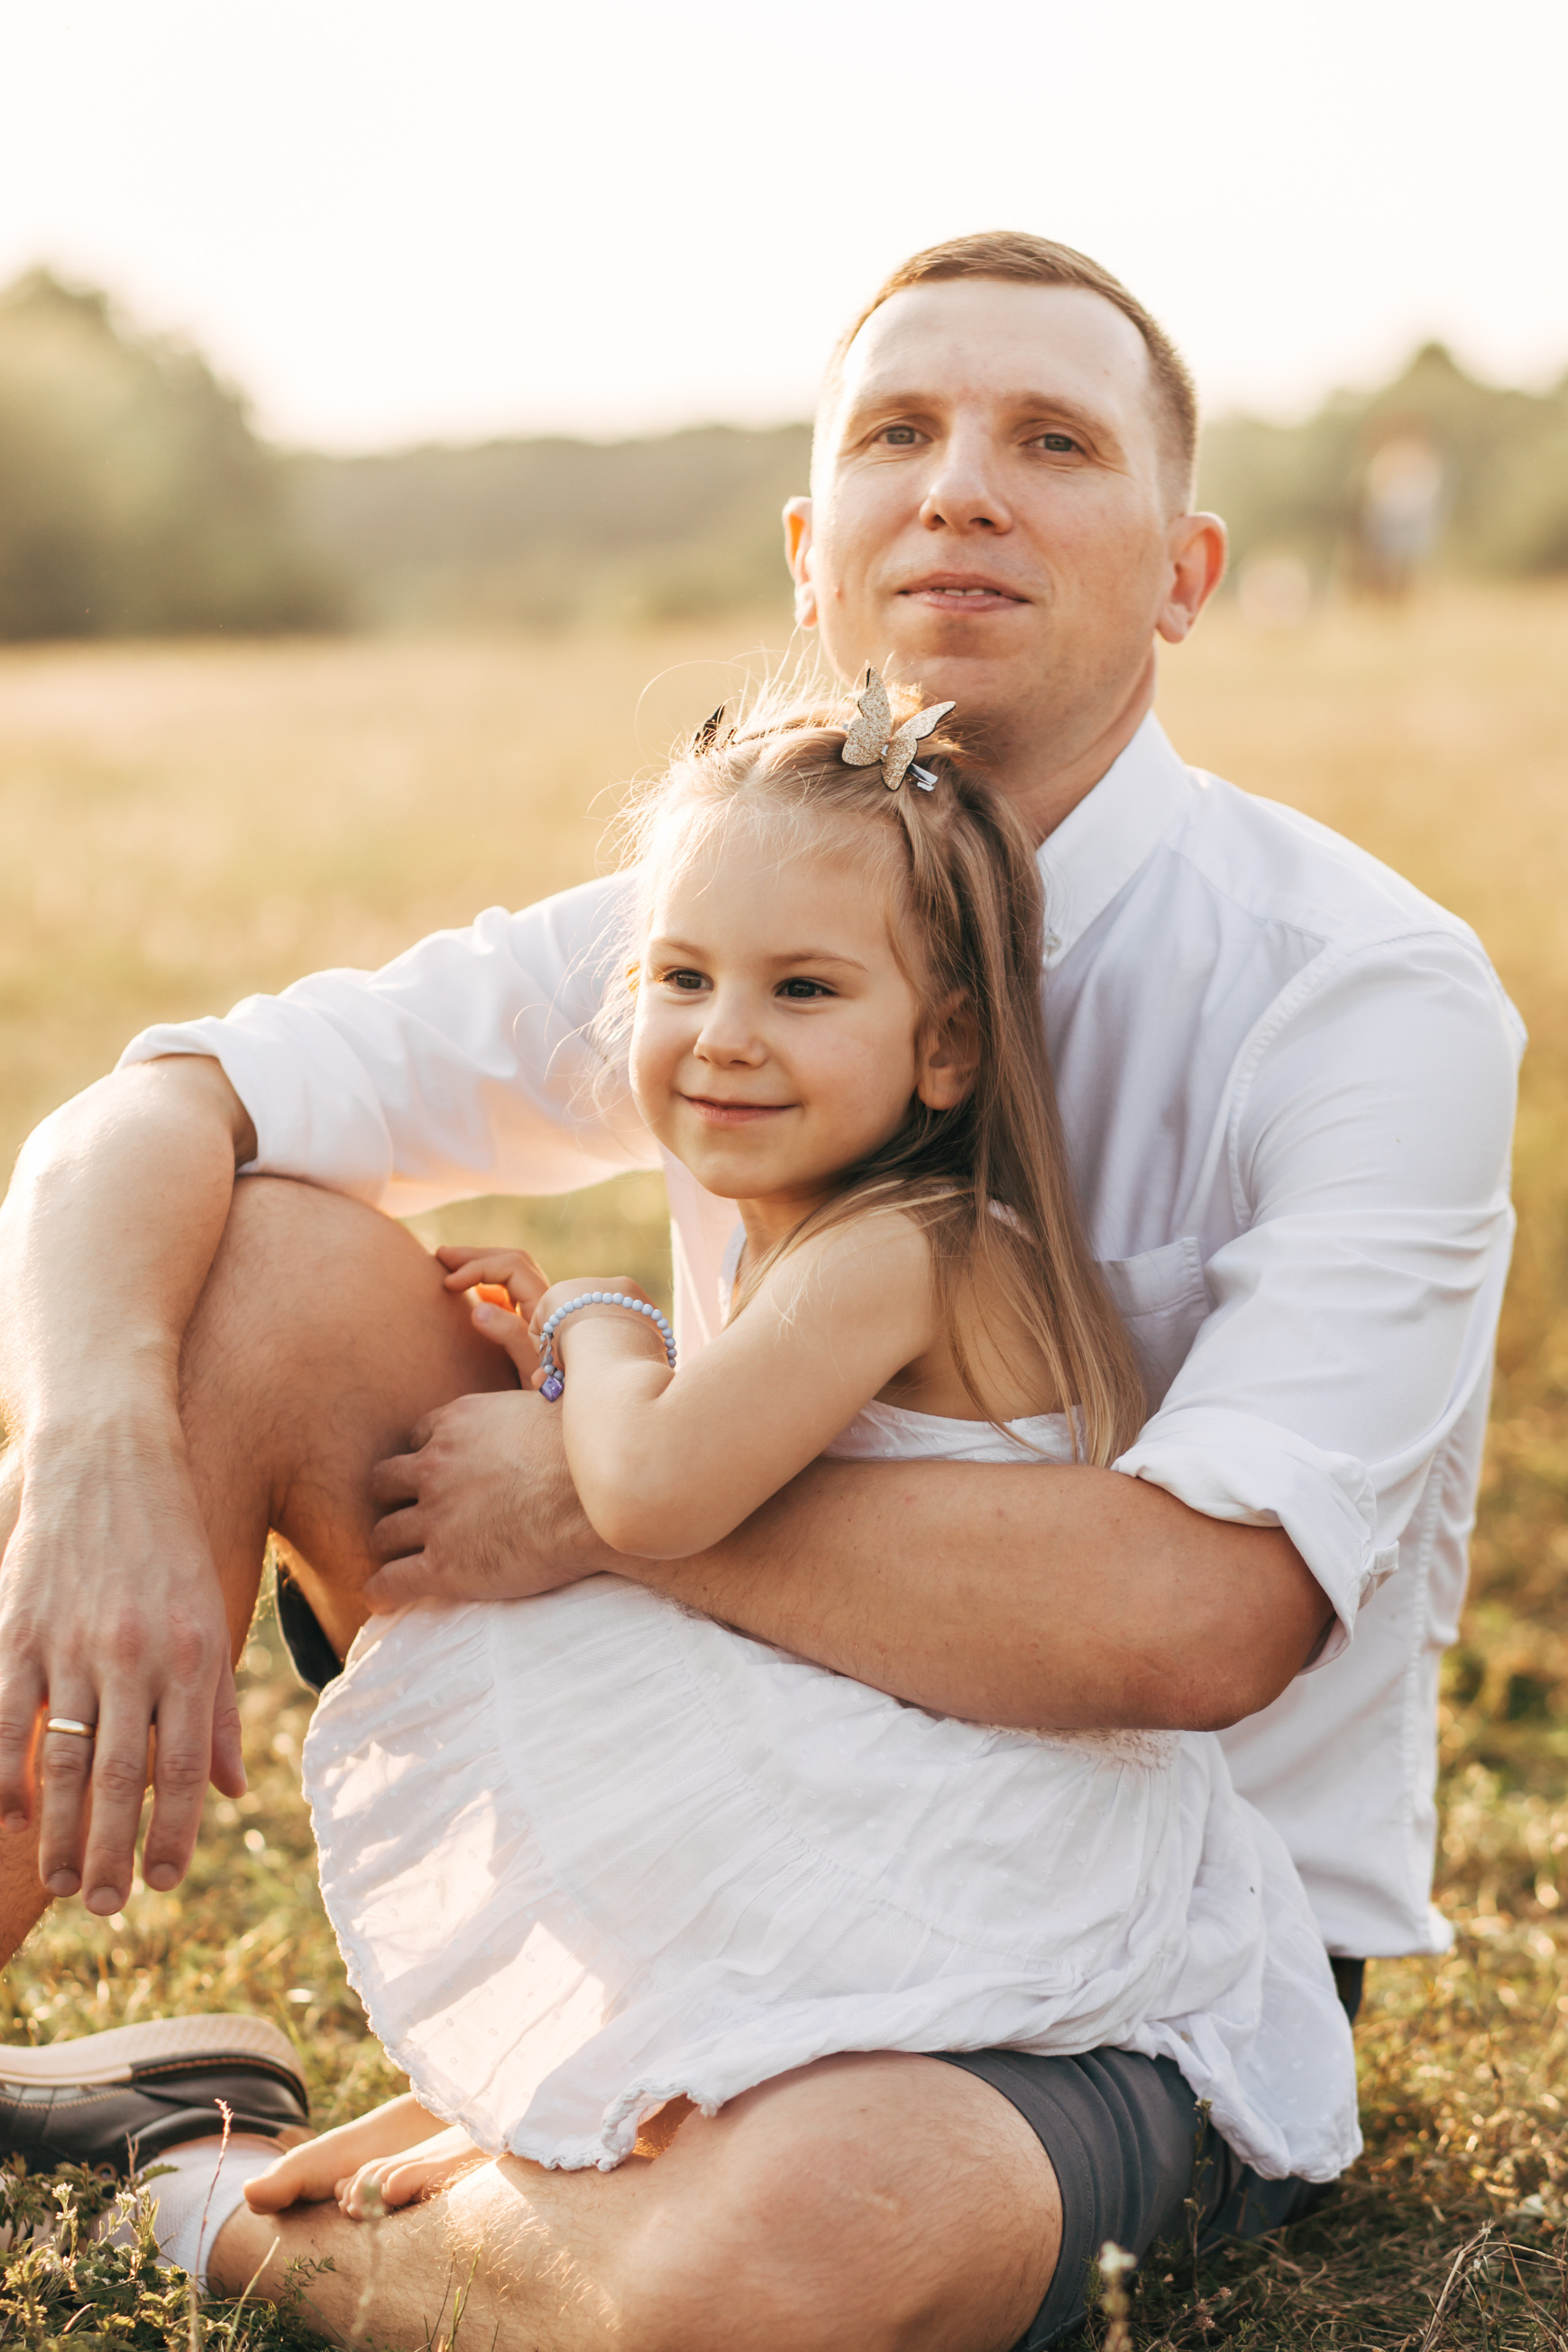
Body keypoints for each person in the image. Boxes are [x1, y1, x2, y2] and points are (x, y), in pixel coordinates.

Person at [0, 232, 1521, 2352]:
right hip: (738, 1781)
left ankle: (233, 2198)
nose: (962, 486)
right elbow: (148, 1112)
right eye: (901, 432)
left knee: (804, 2248)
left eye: (1052, 441)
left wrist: (608, 1495)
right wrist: (84, 1451)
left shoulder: (1365, 999)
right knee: (229, 1269)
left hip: (1136, 1940)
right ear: (816, 553)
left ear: (1188, 572)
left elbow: (1204, 1617)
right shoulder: (720, 922)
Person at [244, 687, 1356, 2218]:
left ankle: (558, 2120)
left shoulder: (897, 1250)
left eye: (804, 991)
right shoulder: (861, 1241)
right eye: (680, 977)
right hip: (925, 1742)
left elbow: (643, 1492)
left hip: (981, 1814)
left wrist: (600, 1320)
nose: (723, 1040)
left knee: (586, 1669)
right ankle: (571, 2101)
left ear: (947, 1045)